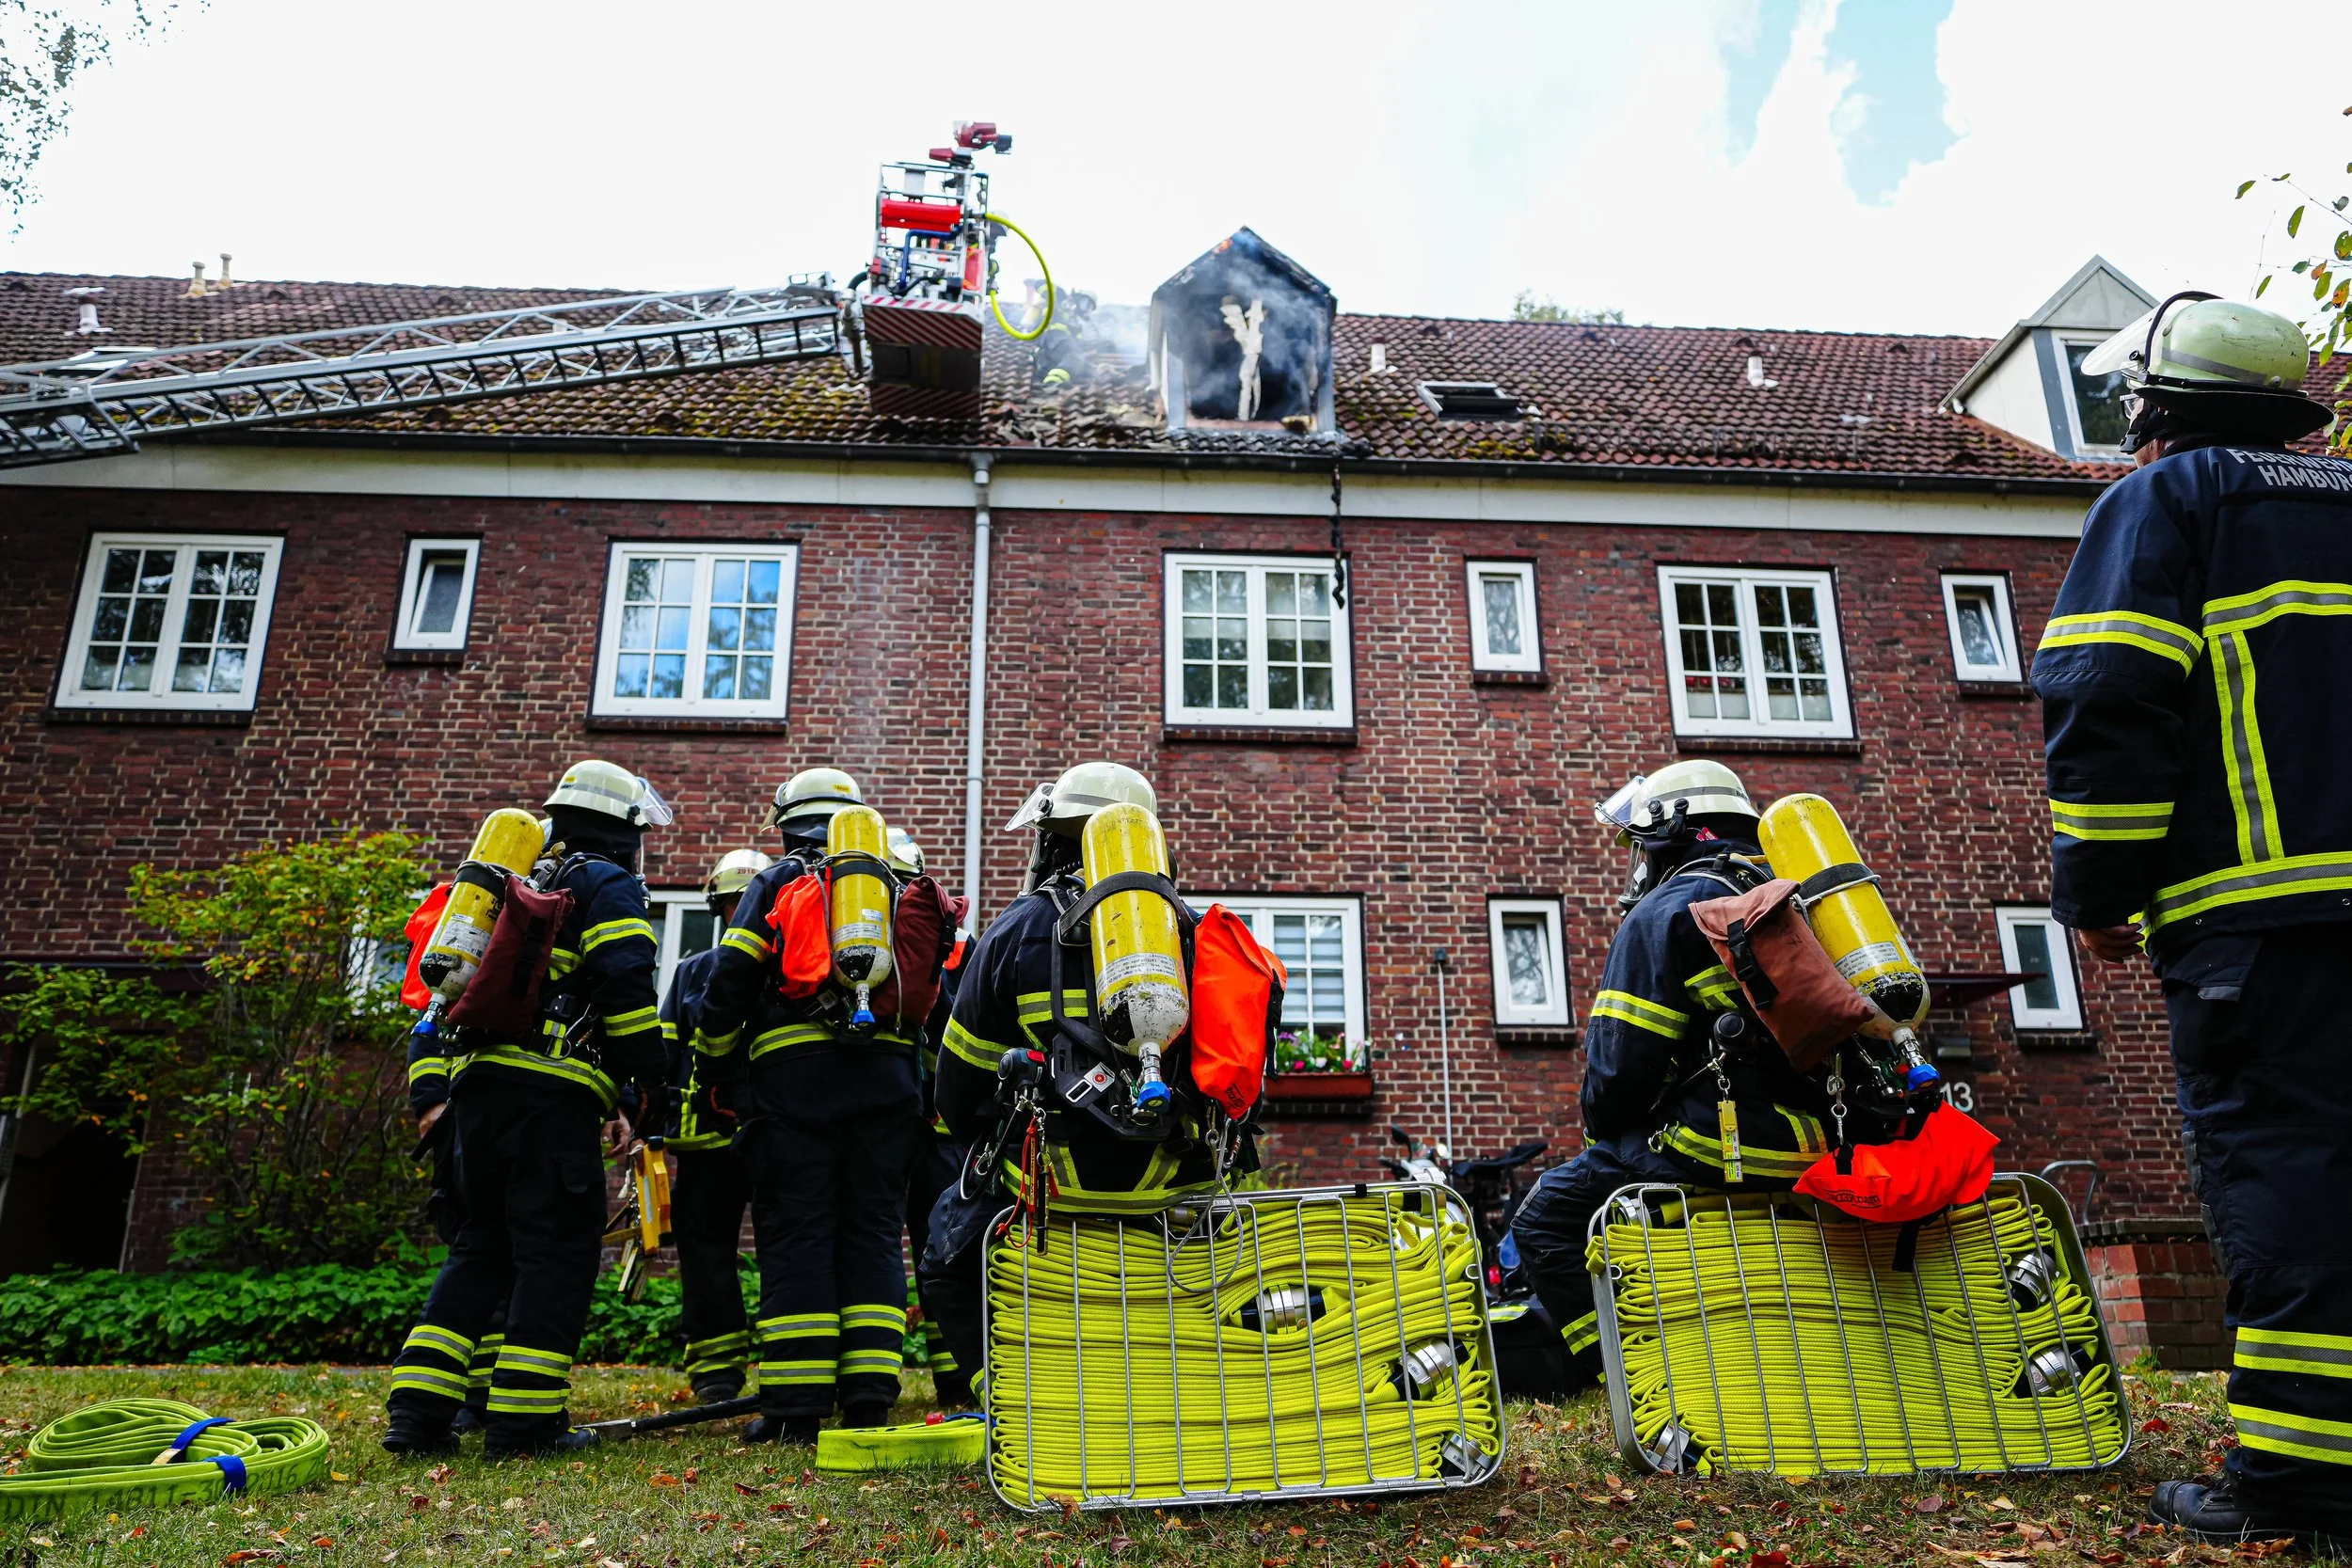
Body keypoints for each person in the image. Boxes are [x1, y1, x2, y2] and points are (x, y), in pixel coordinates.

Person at [2033, 294, 2349, 1548]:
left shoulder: (2172, 504)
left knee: (2294, 1187)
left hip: (2263, 930)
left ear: (2160, 408)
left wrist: (2100, 896)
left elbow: (2109, 691)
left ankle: (2301, 1481)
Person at [919, 762, 1272, 1389]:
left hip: (1049, 1199)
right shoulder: (1200, 934)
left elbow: (957, 1088)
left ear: (1063, 837)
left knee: (947, 1259)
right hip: (1175, 1201)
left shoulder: (1016, 930)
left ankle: (1012, 1404)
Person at [1505, 761, 1847, 1389]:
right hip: (1823, 1152)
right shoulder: (1801, 898)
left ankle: (1627, 1381)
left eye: (1637, 844)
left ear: (1672, 830)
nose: (1635, 860)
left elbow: (1615, 1078)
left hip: (1714, 1152)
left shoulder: (1667, 910)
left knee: (1546, 1217)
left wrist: (1607, 1138)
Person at [385, 761, 671, 1458]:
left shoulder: (521, 881)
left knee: (479, 1247)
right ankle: (524, 1424)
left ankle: (417, 1417)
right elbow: (627, 988)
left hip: (477, 1095)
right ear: (622, 830)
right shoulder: (604, 883)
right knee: (556, 1255)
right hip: (551, 1101)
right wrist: (654, 1080)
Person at [691, 769, 946, 1445]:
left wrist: (716, 1071)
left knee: (798, 1230)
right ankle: (867, 1397)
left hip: (793, 1086)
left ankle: (795, 1407)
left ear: (787, 825)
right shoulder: (888, 886)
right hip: (889, 1084)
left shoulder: (775, 882)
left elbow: (729, 982)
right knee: (872, 1230)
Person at [659, 847, 772, 1405]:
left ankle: (762, 1370)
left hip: (757, 1137)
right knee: (711, 1254)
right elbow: (664, 1056)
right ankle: (719, 1373)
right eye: (737, 904)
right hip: (717, 1144)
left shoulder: (699, 974)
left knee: (773, 1250)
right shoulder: (695, 973)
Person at [890, 828, 976, 1404]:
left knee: (869, 1237)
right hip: (932, 1125)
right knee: (940, 1245)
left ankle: (865, 1379)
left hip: (896, 1117)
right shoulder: (953, 941)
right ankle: (958, 1378)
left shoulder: (850, 935)